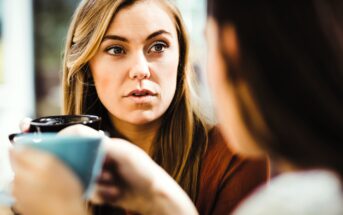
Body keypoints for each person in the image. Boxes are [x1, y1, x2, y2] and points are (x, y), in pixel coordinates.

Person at [9, 0, 268, 214]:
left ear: (181, 58)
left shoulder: (235, 154)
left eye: (158, 46)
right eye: (116, 49)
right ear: (88, 67)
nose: (141, 70)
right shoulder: (63, 170)